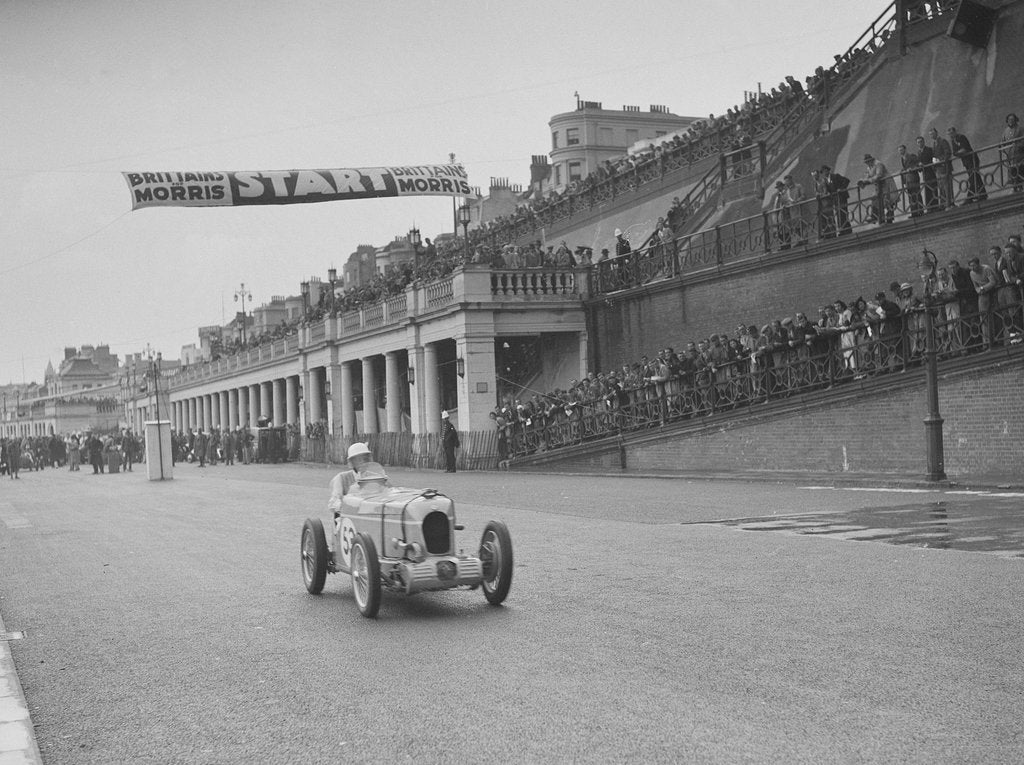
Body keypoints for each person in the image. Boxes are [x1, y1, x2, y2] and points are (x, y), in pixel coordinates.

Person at [327, 442, 378, 514]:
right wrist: (345, 503)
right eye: (358, 459)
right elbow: (334, 502)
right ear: (352, 462)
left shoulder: (375, 477)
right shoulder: (342, 477)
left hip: (372, 515)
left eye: (365, 459)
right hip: (348, 518)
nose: (362, 462)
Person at [948, 127, 987, 203]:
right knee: (975, 177)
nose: (951, 135)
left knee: (973, 177)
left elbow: (965, 149)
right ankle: (982, 194)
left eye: (952, 133)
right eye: (949, 134)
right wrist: (959, 152)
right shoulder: (953, 141)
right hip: (966, 161)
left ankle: (970, 197)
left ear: (955, 132)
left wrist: (958, 152)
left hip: (972, 159)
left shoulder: (961, 137)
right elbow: (955, 152)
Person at [1001, 113, 1024, 193]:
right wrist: (1004, 149)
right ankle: (1014, 188)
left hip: (1019, 155)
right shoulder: (1005, 131)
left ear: (1015, 120)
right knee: (1012, 171)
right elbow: (1002, 143)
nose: (1011, 121)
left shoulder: (1020, 129)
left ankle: (1020, 187)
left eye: (1012, 119)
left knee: (1020, 170)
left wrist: (1018, 145)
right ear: (1007, 121)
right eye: (1009, 120)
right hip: (1010, 156)